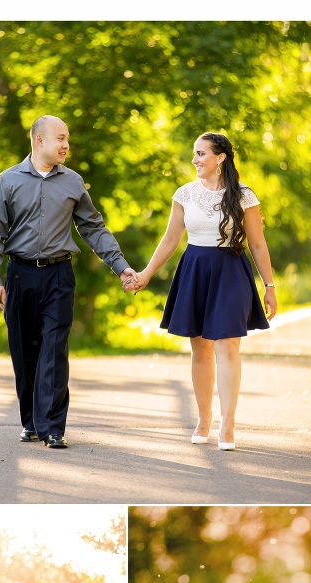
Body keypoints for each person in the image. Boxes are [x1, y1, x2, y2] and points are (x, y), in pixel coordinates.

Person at [0, 115, 138, 448]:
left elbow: (93, 228)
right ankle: (31, 422)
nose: (66, 145)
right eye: (60, 139)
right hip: (20, 275)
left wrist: (120, 265)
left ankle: (52, 426)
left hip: (59, 276)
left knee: (54, 349)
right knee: (24, 351)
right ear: (40, 141)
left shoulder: (73, 183)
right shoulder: (7, 181)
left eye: (68, 139)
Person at [125, 132, 276, 450]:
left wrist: (270, 286)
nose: (194, 160)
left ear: (220, 158)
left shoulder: (244, 196)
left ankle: (228, 424)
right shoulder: (185, 194)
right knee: (201, 349)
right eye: (193, 154)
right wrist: (146, 274)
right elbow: (170, 239)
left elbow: (258, 244)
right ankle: (204, 418)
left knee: (227, 347)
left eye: (201, 154)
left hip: (231, 272)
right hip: (195, 270)